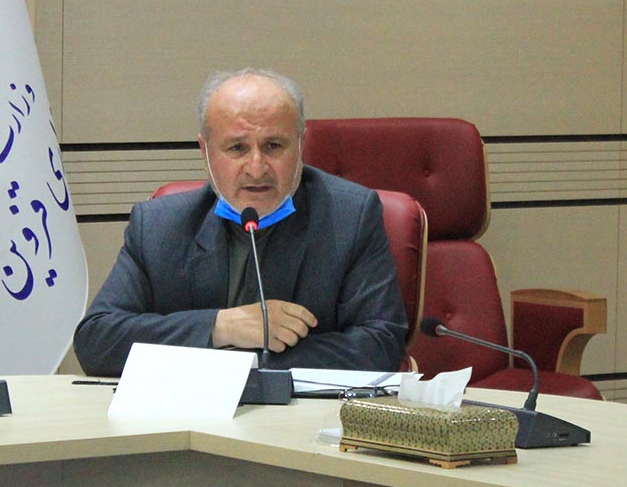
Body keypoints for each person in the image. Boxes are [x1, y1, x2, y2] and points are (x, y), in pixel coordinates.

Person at [74, 68, 407, 376]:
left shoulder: (349, 217)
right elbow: (97, 341)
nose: (256, 168)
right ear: (205, 151)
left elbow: (381, 346)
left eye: (274, 146)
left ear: (301, 145)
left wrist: (237, 361)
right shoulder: (159, 226)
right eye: (237, 148)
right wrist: (222, 327)